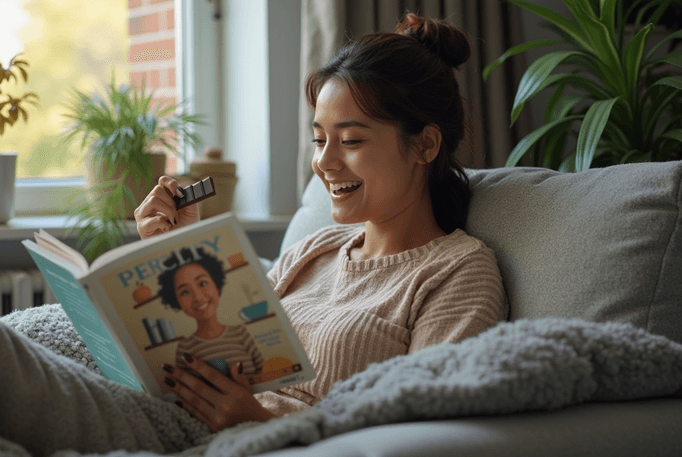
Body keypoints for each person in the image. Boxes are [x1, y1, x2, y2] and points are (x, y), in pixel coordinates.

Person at [134, 12, 507, 433]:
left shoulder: (458, 272)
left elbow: (425, 429)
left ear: (424, 144)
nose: (324, 163)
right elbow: (224, 340)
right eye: (319, 139)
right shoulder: (315, 250)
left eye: (350, 141)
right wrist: (177, 246)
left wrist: (260, 422)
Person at [154, 246, 265, 374]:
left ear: (216, 285)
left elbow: (263, 371)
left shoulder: (240, 333)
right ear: (176, 301)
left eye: (202, 283)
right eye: (184, 292)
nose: (198, 297)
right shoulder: (185, 347)